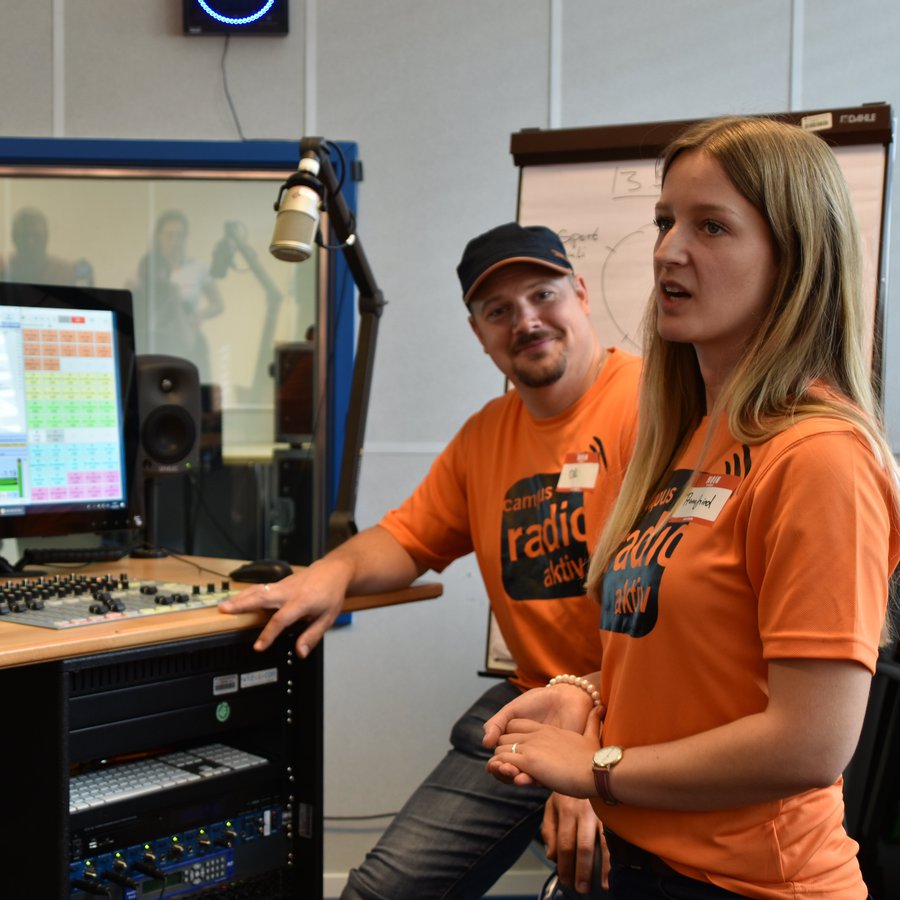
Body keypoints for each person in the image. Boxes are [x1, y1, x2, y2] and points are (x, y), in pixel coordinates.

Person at [483, 115, 900, 900]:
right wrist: (585, 694)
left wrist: (596, 769)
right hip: (641, 857)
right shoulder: (692, 440)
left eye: (711, 226)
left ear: (794, 261)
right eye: (665, 221)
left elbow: (811, 741)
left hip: (753, 884)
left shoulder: (820, 459)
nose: (669, 250)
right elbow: (692, 662)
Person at [220, 222, 643, 898]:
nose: (526, 321)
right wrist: (333, 572)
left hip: (643, 706)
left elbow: (689, 623)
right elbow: (407, 540)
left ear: (582, 294)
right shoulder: (485, 437)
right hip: (530, 701)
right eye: (498, 310)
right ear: (478, 333)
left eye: (543, 294)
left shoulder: (655, 406)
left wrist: (591, 756)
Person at [130, 209, 224, 380]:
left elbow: (218, 304)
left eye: (180, 235)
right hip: (156, 341)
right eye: (170, 235)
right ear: (159, 237)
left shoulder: (198, 268)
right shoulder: (148, 269)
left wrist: (198, 316)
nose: (175, 240)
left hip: (188, 338)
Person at [2, 206, 93, 286]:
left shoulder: (65, 272)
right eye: (24, 235)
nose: (30, 242)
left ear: (46, 236)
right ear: (14, 237)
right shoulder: (3, 269)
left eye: (36, 235)